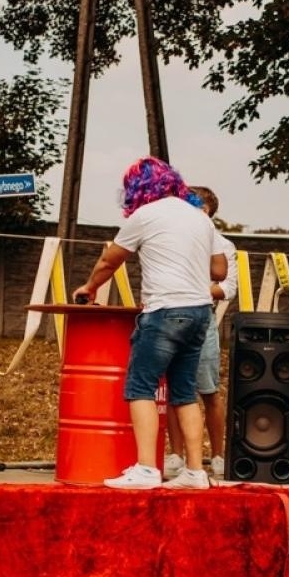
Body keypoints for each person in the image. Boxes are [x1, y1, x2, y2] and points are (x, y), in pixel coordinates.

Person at [72, 158, 228, 490]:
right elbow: (220, 271)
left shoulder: (145, 215)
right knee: (184, 392)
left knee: (140, 387)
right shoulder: (200, 218)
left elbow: (110, 260)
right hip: (200, 311)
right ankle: (195, 472)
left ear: (138, 188)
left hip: (165, 310)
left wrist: (90, 287)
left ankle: (146, 469)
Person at [162, 186, 236, 481]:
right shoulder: (173, 240)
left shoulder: (223, 245)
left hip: (203, 322)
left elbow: (228, 287)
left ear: (204, 211)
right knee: (175, 391)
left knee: (209, 391)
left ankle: (217, 456)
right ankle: (176, 455)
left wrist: (194, 288)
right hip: (171, 318)